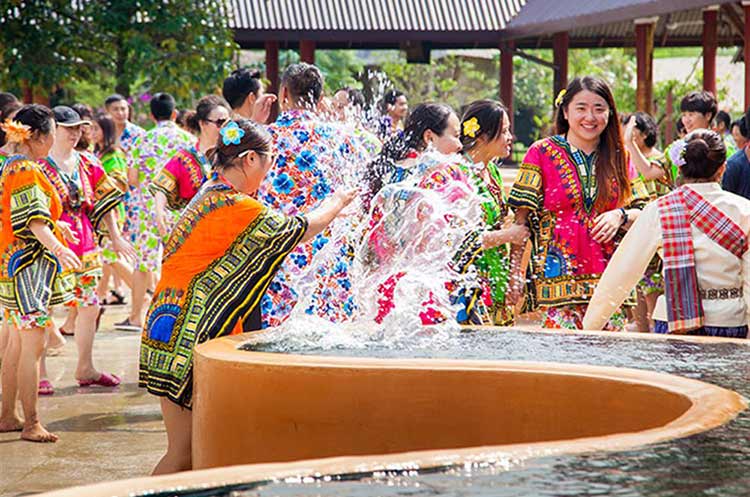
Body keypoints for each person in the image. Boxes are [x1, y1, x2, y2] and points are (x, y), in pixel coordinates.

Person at [139, 118, 356, 474]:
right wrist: (337, 202)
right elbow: (299, 229)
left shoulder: (210, 191)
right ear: (251, 160)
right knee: (183, 454)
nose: (270, 172)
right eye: (269, 163)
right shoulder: (235, 205)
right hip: (185, 332)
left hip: (169, 324)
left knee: (190, 451)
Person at [506, 76, 648, 330]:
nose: (590, 117)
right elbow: (520, 220)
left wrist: (620, 215)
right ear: (565, 111)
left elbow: (645, 211)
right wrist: (515, 273)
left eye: (599, 108)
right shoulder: (541, 152)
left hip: (610, 285)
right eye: (581, 108)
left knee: (607, 365)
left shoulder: (621, 157)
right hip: (557, 285)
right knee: (561, 364)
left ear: (610, 113)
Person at [584, 129, 750, 338]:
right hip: (729, 321)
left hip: (674, 321)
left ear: (680, 167)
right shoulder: (744, 210)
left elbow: (622, 272)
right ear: (722, 169)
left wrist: (590, 327)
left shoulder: (660, 209)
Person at [257, 63, 370, 327]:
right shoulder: (344, 139)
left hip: (281, 247)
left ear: (283, 94)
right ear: (320, 99)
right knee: (328, 335)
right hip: (328, 250)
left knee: (278, 337)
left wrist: (253, 122)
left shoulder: (264, 138)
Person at [0, 105, 82, 442]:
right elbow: (32, 220)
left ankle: (7, 414)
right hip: (27, 268)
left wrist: (55, 226)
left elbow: (24, 214)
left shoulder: (9, 165)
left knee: (17, 346)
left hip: (11, 263)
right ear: (38, 137)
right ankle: (31, 422)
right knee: (31, 347)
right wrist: (59, 247)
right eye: (51, 133)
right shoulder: (28, 170)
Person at [39, 106, 133, 388]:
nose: (75, 133)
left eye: (78, 127)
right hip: (51, 245)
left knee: (90, 306)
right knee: (44, 308)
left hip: (85, 243)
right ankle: (40, 373)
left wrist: (115, 236)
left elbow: (107, 203)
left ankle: (85, 366)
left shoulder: (89, 163)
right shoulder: (39, 165)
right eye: (69, 128)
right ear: (52, 129)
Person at [116, 93, 193, 331]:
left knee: (143, 264)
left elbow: (132, 178)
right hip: (178, 208)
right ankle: (181, 315)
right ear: (174, 114)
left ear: (151, 115)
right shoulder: (187, 140)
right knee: (179, 261)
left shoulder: (141, 140)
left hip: (146, 208)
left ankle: (136, 316)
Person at [623, 112, 672, 332]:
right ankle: (642, 327)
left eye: (630, 129)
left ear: (643, 134)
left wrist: (628, 144)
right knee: (637, 284)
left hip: (659, 233)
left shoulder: (659, 158)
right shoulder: (627, 159)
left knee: (653, 286)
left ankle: (653, 329)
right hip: (637, 231)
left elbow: (647, 172)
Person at [150, 95, 231, 224]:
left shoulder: (233, 155)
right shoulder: (185, 157)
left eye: (229, 123)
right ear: (203, 123)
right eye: (220, 122)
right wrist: (160, 212)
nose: (225, 128)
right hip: (195, 229)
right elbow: (161, 187)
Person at [91, 112, 133, 307]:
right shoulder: (98, 153)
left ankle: (144, 292)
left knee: (111, 256)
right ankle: (101, 294)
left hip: (112, 212)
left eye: (96, 129)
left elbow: (118, 184)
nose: (91, 133)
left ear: (105, 131)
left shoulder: (113, 154)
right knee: (108, 258)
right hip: (101, 213)